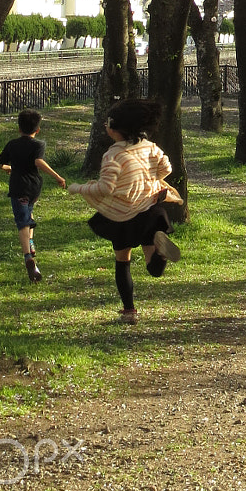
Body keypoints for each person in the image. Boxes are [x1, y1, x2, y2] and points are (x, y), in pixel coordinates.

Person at [67, 98, 182, 323]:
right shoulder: (150, 147)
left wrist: (80, 188)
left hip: (123, 217)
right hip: (150, 210)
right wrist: (148, 179)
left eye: (108, 122)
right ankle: (159, 254)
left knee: (123, 261)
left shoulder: (113, 155)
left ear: (115, 129)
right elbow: (166, 168)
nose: (105, 125)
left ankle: (129, 312)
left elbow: (106, 188)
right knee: (153, 267)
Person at [0, 109, 66, 282]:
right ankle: (32, 243)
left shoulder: (12, 144)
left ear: (19, 128)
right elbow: (37, 161)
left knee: (22, 223)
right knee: (29, 213)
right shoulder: (38, 144)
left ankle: (28, 256)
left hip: (18, 188)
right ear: (38, 129)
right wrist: (57, 177)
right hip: (34, 187)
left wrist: (9, 168)